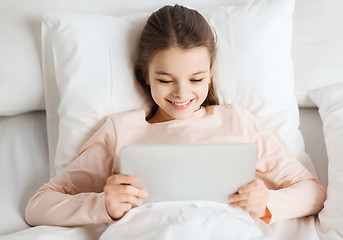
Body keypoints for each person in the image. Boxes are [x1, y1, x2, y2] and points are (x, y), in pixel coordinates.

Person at [25, 4, 326, 227]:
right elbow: (39, 206)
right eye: (166, 80)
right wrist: (102, 204)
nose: (182, 94)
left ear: (211, 73)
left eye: (195, 79)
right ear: (146, 76)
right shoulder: (122, 130)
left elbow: (312, 191)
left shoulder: (237, 122)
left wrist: (266, 203)